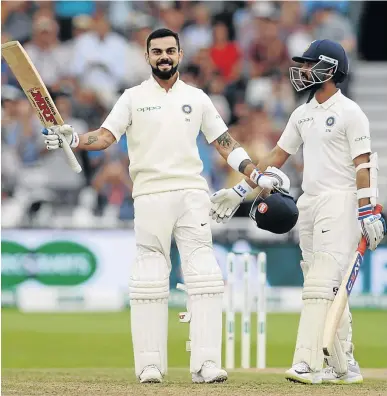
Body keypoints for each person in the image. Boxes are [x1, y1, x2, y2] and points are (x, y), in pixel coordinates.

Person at [41, 28, 278, 384]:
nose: (163, 57)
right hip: (150, 195)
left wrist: (253, 174)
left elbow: (226, 143)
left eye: (170, 50)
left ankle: (206, 363)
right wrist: (73, 138)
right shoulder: (132, 97)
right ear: (148, 56)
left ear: (180, 54)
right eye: (156, 52)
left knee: (205, 277)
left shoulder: (197, 98)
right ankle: (150, 365)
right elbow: (105, 137)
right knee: (150, 278)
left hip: (192, 194)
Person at [209, 39, 386, 384]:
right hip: (309, 200)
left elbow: (363, 166)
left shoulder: (351, 112)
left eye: (309, 64)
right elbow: (276, 158)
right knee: (323, 284)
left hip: (341, 200)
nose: (303, 70)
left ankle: (308, 363)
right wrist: (240, 190)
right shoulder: (302, 114)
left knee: (322, 280)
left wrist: (367, 212)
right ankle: (343, 364)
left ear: (331, 70)